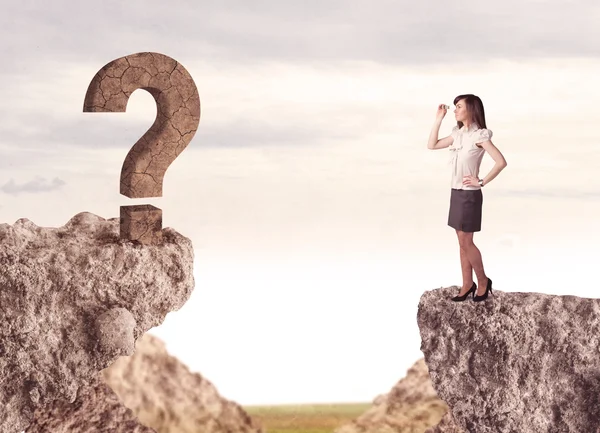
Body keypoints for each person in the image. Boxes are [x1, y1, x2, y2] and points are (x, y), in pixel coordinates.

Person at [427, 94, 507, 302]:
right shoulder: (458, 134)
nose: (455, 110)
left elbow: (500, 162)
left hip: (469, 195)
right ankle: (466, 284)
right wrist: (439, 118)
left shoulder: (479, 136)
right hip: (456, 193)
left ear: (471, 109)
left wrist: (481, 181)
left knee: (467, 242)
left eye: (459, 106)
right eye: (455, 106)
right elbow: (432, 144)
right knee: (461, 242)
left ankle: (482, 280)